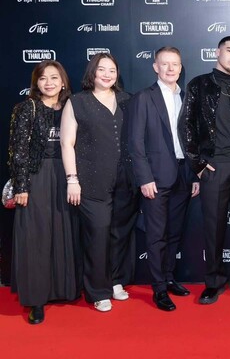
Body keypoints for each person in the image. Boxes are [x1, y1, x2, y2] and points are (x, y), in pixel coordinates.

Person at [179, 36, 230, 305]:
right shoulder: (199, 84)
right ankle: (213, 281)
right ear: (217, 52)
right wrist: (198, 164)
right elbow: (186, 126)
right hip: (213, 166)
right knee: (213, 227)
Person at [61, 53, 139, 312]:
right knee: (98, 235)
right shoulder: (77, 102)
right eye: (101, 69)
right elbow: (67, 143)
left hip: (126, 180)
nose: (107, 74)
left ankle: (115, 280)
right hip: (91, 181)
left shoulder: (128, 100)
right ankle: (98, 290)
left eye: (112, 70)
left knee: (120, 234)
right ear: (92, 73)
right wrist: (72, 179)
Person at [128, 47, 199, 311]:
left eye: (175, 64)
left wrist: (194, 174)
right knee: (156, 235)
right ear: (155, 67)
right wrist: (144, 178)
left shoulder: (186, 98)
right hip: (156, 178)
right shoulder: (144, 98)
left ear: (180, 68)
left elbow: (191, 140)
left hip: (183, 174)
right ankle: (158, 288)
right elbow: (135, 142)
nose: (170, 69)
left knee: (174, 232)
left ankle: (168, 278)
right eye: (165, 64)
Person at [8, 60, 79, 324]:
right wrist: (21, 186)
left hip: (67, 176)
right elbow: (18, 150)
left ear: (63, 81)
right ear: (36, 83)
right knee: (36, 237)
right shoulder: (27, 108)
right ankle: (36, 300)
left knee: (63, 232)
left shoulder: (73, 107)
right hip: (37, 178)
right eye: (43, 78)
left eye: (54, 77)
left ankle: (62, 289)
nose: (49, 83)